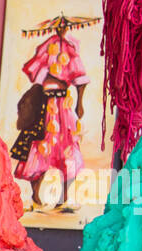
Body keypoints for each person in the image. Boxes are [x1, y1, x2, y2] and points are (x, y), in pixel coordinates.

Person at [15, 16, 89, 210]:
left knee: (68, 149)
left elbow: (80, 79)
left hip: (63, 108)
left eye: (65, 27)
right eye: (59, 27)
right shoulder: (47, 47)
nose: (62, 30)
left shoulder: (71, 50)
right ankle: (36, 195)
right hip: (45, 106)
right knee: (38, 147)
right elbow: (36, 72)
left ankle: (64, 194)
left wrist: (79, 104)